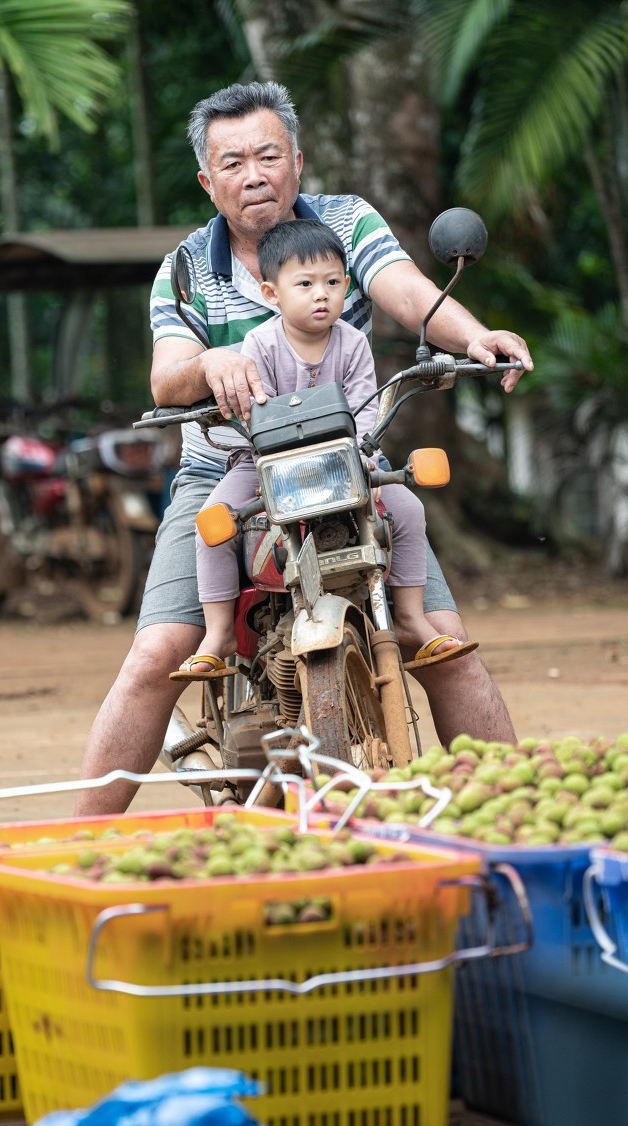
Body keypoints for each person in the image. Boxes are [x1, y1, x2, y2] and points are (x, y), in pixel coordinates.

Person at [74, 80, 533, 817]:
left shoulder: (347, 224)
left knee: (443, 639)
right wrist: (208, 365)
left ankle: (524, 825)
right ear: (207, 180)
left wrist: (473, 336)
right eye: (232, 163)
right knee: (158, 653)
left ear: (297, 160)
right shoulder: (186, 268)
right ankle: (75, 848)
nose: (253, 175)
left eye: (267, 155)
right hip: (224, 467)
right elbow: (166, 375)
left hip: (345, 462)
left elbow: (408, 291)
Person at [170, 218, 478, 682]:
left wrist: (364, 453)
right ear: (272, 294)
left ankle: (412, 618)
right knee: (213, 523)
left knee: (409, 509)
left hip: (346, 465)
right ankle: (218, 634)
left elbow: (365, 409)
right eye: (306, 284)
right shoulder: (260, 344)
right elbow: (256, 413)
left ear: (347, 286)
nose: (322, 294)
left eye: (333, 282)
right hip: (265, 466)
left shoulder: (353, 344)